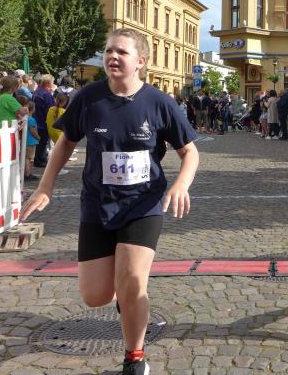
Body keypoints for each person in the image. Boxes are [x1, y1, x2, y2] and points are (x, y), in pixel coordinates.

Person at [21, 28, 200, 375]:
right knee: (95, 296)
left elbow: (189, 152)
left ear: (141, 61)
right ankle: (123, 297)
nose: (112, 57)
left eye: (121, 52)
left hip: (142, 205)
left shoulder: (159, 102)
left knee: (133, 282)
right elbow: (66, 142)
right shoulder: (89, 97)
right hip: (97, 205)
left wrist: (181, 184)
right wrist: (45, 186)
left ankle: (135, 358)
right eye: (108, 51)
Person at [32, 75, 55, 167]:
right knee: (43, 142)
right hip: (43, 122)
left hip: (37, 120)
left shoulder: (37, 92)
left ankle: (39, 159)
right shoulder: (46, 94)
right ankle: (40, 160)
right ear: (48, 84)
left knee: (40, 142)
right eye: (52, 82)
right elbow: (50, 109)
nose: (53, 84)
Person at [24, 102, 41, 181]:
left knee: (27, 158)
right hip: (31, 142)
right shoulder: (31, 119)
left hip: (26, 141)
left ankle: (27, 173)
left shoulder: (25, 118)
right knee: (29, 158)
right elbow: (33, 131)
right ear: (33, 109)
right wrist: (38, 137)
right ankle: (28, 174)